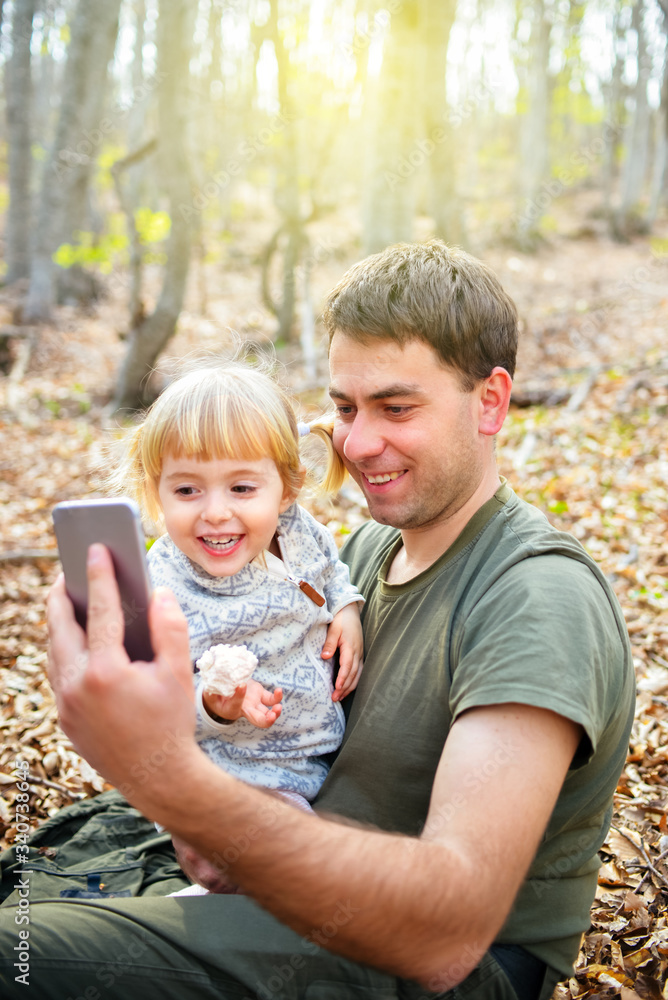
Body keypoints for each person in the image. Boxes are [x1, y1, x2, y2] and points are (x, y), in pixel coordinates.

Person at [0, 240, 634, 1000]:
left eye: (397, 408)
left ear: (491, 401)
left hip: (422, 964)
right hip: (279, 875)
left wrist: (166, 777)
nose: (358, 444)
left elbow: (448, 932)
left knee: (17, 952)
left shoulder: (536, 598)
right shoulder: (357, 554)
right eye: (343, 408)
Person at [112, 362, 363, 834]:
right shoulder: (161, 590)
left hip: (318, 758)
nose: (216, 512)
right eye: (187, 489)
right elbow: (151, 709)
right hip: (233, 780)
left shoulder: (297, 531)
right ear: (156, 492)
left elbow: (329, 570)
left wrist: (346, 607)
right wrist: (213, 703)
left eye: (242, 487)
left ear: (287, 489)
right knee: (288, 862)